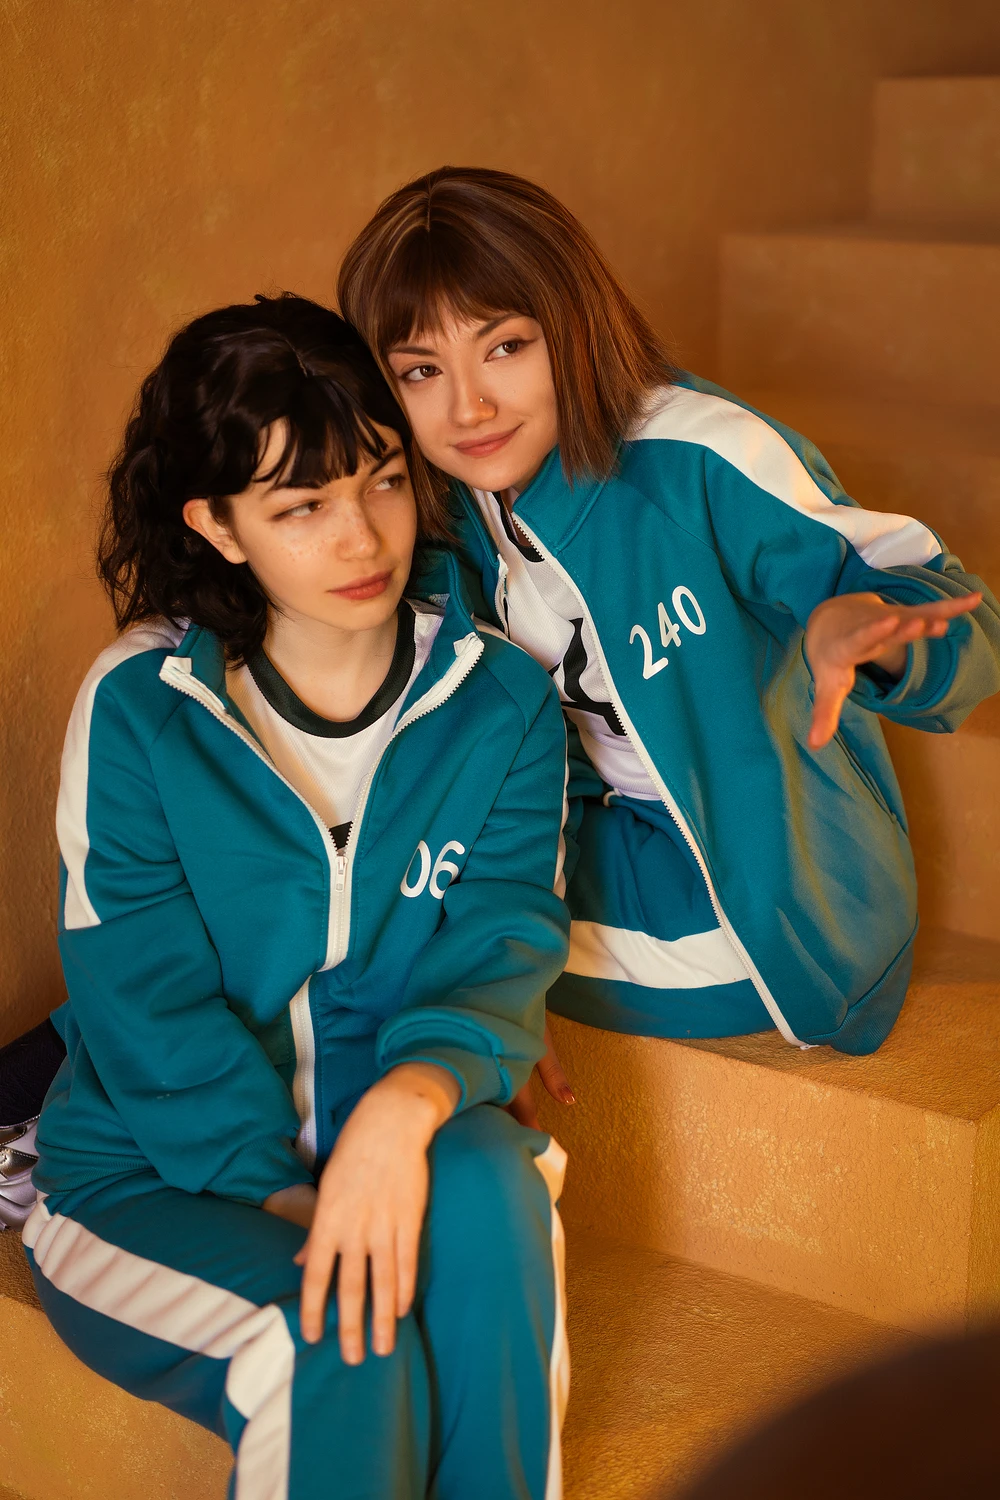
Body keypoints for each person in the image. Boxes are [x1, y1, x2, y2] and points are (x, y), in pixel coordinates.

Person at [20, 293, 572, 1499]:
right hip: (153, 1174)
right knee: (337, 1345)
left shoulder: (503, 705)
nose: (362, 539)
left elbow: (500, 945)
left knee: (496, 1195)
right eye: (301, 507)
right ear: (216, 525)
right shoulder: (143, 711)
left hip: (399, 1131)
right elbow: (145, 1003)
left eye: (382, 481)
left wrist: (402, 1112)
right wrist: (297, 1198)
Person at [336, 165, 1000, 1060]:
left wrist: (864, 630)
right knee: (348, 894)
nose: (470, 406)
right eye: (422, 370)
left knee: (395, 952)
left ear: (572, 323)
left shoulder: (695, 452)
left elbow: (953, 613)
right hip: (588, 837)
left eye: (505, 347)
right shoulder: (439, 504)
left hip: (761, 894)